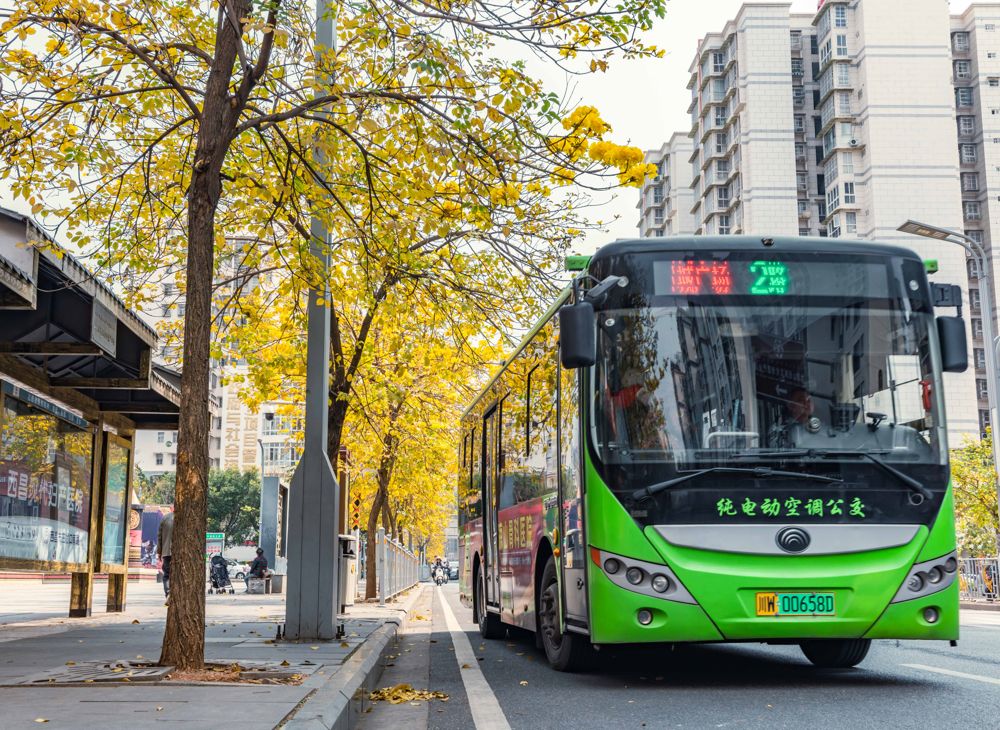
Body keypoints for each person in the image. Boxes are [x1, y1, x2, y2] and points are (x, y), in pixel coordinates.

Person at [157, 512, 174, 605]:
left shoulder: (165, 518)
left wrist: (159, 551)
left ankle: (168, 593)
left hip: (167, 552)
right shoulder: (186, 518)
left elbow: (159, 536)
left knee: (167, 575)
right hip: (182, 553)